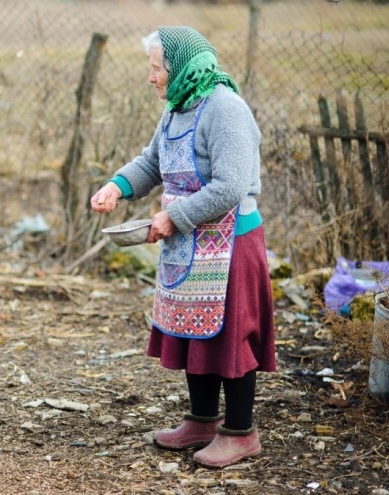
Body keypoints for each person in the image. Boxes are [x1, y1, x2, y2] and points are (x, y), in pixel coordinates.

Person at [90, 26, 276, 469]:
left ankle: (241, 432)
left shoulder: (225, 109)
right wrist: (117, 186)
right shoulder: (178, 107)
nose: (151, 78)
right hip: (190, 239)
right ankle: (202, 422)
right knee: (195, 329)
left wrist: (174, 216)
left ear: (182, 69)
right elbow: (152, 161)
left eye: (157, 69)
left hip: (231, 241)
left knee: (231, 333)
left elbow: (231, 184)